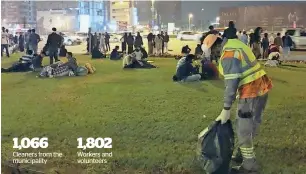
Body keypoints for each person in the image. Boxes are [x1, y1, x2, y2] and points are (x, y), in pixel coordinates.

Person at [215, 34, 272, 173]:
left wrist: (226, 108)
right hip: (262, 87)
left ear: (215, 47)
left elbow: (231, 82)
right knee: (252, 124)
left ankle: (249, 165)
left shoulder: (228, 54)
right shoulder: (236, 44)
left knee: (243, 128)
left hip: (250, 91)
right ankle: (242, 152)